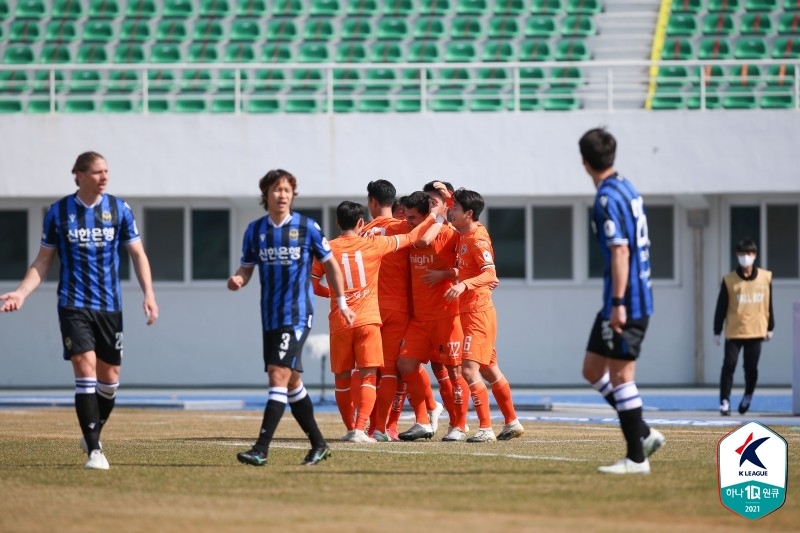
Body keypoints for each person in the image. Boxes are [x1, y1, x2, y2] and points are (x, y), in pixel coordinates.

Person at [0, 151, 159, 470]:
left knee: (109, 380)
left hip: (110, 307)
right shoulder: (59, 212)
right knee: (84, 369)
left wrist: (149, 294)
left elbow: (138, 254)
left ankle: (91, 430)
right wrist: (21, 292)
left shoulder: (119, 209)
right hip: (73, 304)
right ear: (79, 175)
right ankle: (95, 450)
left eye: (107, 171)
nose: (104, 177)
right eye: (98, 172)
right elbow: (43, 260)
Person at [228, 169, 356, 467]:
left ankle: (261, 448)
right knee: (291, 383)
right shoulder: (255, 230)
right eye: (276, 189)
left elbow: (331, 266)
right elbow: (246, 268)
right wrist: (238, 279)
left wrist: (341, 301)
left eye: (287, 189)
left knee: (277, 374)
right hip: (270, 316)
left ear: (293, 194)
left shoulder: (307, 227)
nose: (282, 195)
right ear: (266, 194)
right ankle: (319, 445)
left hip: (297, 313)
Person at [311, 200, 444, 442]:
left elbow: (313, 284)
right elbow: (413, 236)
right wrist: (434, 215)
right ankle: (363, 430)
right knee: (370, 376)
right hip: (369, 321)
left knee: (342, 378)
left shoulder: (326, 248)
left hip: (340, 321)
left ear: (338, 222)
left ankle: (351, 428)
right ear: (361, 222)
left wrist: (338, 295)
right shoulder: (375, 245)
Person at [579, 128, 665, 475]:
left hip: (627, 299)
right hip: (621, 296)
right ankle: (642, 432)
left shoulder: (606, 199)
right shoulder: (626, 187)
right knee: (592, 369)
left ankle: (636, 458)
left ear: (584, 162)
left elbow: (621, 250)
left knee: (620, 375)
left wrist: (617, 302)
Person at [435, 188, 526, 442]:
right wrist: (447, 193)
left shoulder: (477, 239)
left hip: (478, 314)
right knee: (489, 370)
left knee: (469, 369)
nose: (451, 211)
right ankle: (512, 421)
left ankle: (485, 428)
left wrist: (464, 285)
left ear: (469, 213)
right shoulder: (465, 233)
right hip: (470, 312)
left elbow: (490, 274)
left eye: (454, 208)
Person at [360, 181, 443, 442]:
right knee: (396, 370)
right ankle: (387, 426)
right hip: (403, 308)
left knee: (372, 370)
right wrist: (438, 212)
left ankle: (371, 426)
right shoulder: (401, 228)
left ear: (372, 202)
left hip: (369, 308)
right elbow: (425, 233)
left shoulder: (365, 231)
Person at [397, 191, 468, 442]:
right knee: (405, 364)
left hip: (446, 316)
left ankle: (459, 426)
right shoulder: (411, 234)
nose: (408, 222)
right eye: (406, 217)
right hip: (420, 318)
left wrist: (446, 275)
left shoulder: (451, 235)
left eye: (413, 218)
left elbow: (468, 268)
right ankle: (423, 422)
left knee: (454, 371)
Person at [713, 239, 774, 416]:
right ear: (736, 255)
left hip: (756, 330)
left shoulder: (765, 277)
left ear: (755, 255)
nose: (745, 257)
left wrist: (771, 326)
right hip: (734, 330)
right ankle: (724, 401)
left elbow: (769, 304)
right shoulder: (729, 280)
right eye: (741, 253)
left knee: (751, 368)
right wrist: (717, 331)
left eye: (748, 253)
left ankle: (748, 394)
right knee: (729, 365)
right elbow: (721, 307)